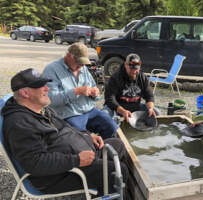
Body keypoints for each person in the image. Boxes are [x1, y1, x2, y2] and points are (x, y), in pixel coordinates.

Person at [2, 68, 131, 198]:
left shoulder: (40, 109)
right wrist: (77, 160)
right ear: (25, 93)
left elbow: (66, 126)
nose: (47, 89)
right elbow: (34, 163)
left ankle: (100, 189)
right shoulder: (19, 123)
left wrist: (88, 135)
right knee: (118, 171)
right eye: (40, 86)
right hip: (58, 175)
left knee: (117, 145)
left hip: (77, 155)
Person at [42, 42, 117, 139]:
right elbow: (50, 100)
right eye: (79, 62)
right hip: (68, 115)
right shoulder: (51, 69)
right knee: (81, 137)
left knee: (111, 126)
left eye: (83, 63)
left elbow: (93, 87)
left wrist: (95, 93)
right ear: (68, 56)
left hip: (89, 110)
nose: (81, 66)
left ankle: (103, 149)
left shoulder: (83, 67)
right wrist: (76, 91)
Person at [104, 53, 160, 122]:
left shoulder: (143, 78)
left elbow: (149, 96)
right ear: (125, 65)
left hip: (135, 106)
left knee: (156, 112)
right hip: (117, 107)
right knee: (104, 115)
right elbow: (109, 99)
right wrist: (123, 111)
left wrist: (150, 108)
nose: (134, 71)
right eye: (131, 68)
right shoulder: (115, 78)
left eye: (136, 69)